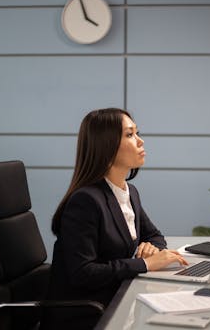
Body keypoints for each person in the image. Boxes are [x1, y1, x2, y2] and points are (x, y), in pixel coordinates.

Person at [43, 108, 187, 329]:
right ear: (106, 146)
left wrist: (150, 247)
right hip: (87, 315)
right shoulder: (85, 201)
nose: (140, 141)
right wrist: (145, 264)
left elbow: (154, 235)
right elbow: (83, 273)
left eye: (137, 133)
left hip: (116, 299)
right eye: (130, 135)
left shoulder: (129, 192)